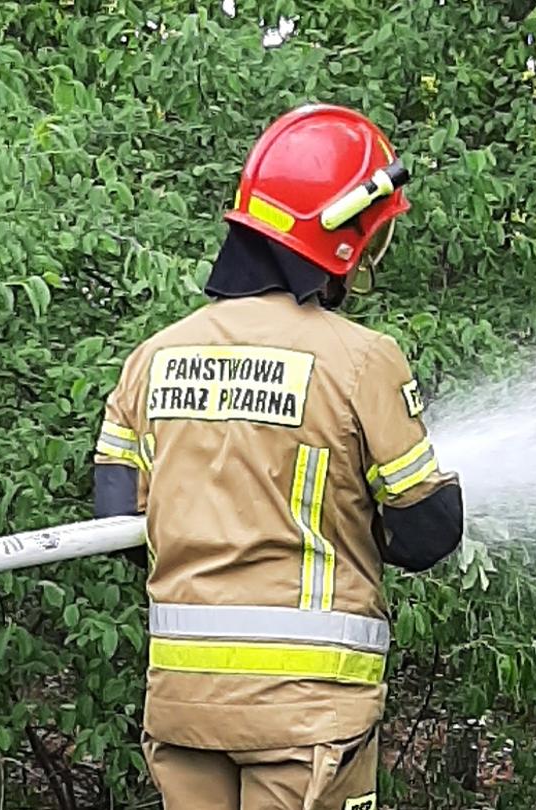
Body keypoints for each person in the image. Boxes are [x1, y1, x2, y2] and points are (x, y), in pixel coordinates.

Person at [90, 104, 465, 810]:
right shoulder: (360, 360)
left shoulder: (152, 359)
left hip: (185, 708)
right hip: (311, 717)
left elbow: (117, 526)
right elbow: (426, 534)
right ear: (342, 233)